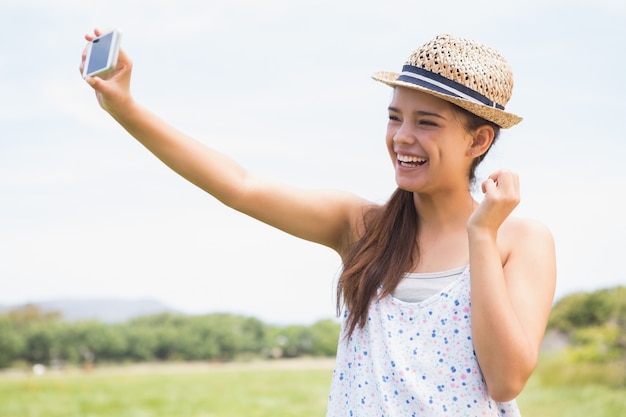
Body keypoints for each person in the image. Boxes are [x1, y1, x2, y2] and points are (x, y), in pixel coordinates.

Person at [80, 30, 556, 416]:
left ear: (479, 141)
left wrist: (481, 234)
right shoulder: (361, 226)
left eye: (426, 122)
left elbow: (505, 379)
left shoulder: (519, 240)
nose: (402, 138)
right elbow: (239, 185)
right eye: (395, 117)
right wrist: (126, 108)